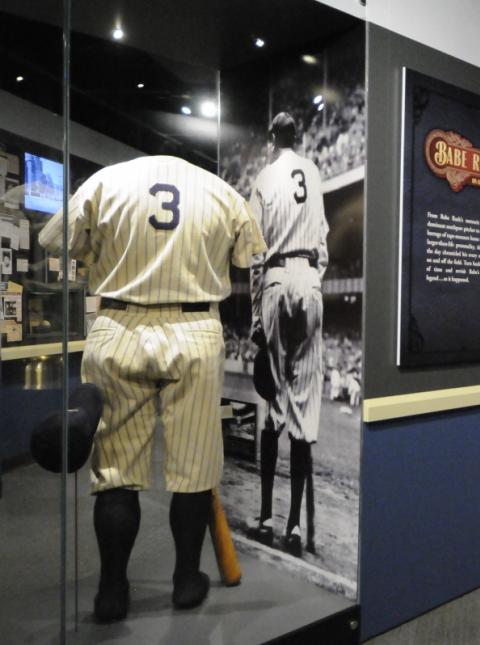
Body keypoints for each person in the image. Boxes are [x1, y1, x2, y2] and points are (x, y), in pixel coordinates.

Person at [38, 154, 266, 622]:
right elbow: (248, 256)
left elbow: (54, 241)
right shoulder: (219, 190)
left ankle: (112, 591)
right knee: (195, 467)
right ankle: (185, 580)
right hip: (195, 326)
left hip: (119, 322)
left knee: (117, 471)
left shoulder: (106, 181)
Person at [248, 112, 329, 557]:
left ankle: (264, 518)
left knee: (274, 408)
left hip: (277, 279)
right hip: (309, 280)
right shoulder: (314, 173)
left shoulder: (263, 176)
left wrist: (257, 321)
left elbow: (255, 253)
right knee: (303, 409)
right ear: (297, 138)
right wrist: (312, 281)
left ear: (270, 139)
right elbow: (323, 245)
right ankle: (295, 527)